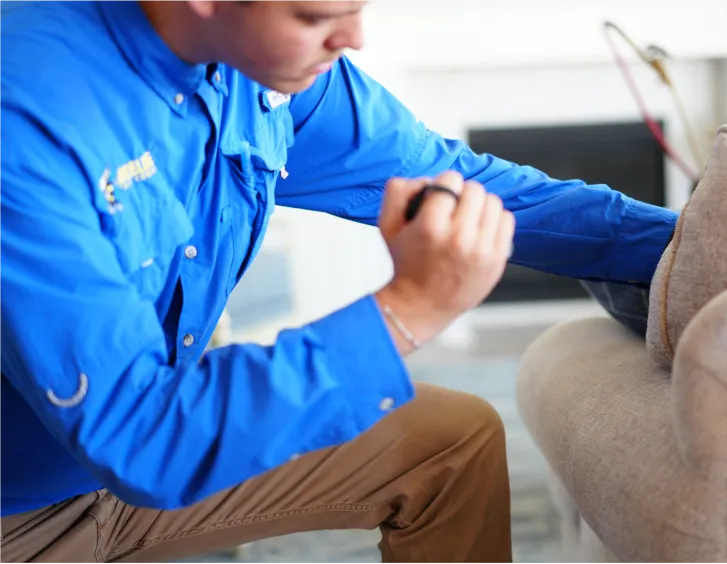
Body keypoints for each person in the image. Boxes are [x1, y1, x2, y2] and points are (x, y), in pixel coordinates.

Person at [0, 0, 678, 562]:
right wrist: (409, 308)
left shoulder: (252, 66)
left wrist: (688, 244)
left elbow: (452, 178)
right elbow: (142, 438)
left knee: (451, 442)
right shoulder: (27, 117)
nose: (354, 36)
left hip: (136, 459)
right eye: (317, 13)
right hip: (28, 511)